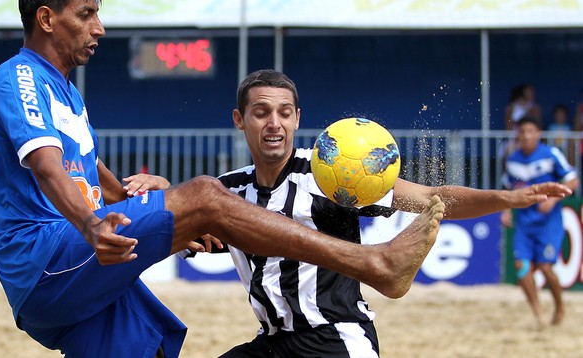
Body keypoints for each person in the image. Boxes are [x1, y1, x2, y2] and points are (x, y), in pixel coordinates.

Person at [0, 0, 454, 357]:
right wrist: (92, 223)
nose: (99, 28)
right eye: (86, 15)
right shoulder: (19, 76)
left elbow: (85, 165)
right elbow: (46, 165)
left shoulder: (64, 89)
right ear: (45, 18)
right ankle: (374, 263)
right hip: (43, 258)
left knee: (151, 349)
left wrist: (137, 201)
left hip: (67, 272)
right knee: (208, 194)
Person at [176, 69, 574, 357]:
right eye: (261, 113)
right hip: (270, 341)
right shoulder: (227, 191)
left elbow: (434, 196)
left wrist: (507, 198)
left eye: (284, 113)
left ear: (298, 118)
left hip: (335, 338)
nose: (274, 123)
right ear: (239, 120)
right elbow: (174, 225)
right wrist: (160, 190)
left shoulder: (332, 174)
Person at [501, 115, 578, 328]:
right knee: (521, 267)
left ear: (538, 133)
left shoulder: (550, 154)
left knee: (545, 267)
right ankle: (538, 313)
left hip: (548, 222)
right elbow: (507, 190)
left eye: (530, 131)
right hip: (524, 224)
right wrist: (506, 210)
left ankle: (559, 305)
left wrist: (553, 200)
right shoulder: (513, 160)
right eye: (522, 132)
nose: (526, 136)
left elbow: (573, 180)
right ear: (518, 134)